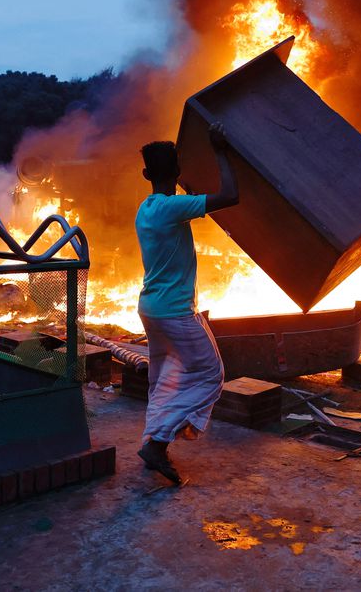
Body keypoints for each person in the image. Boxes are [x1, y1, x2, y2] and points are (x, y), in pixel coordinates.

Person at [134, 122, 238, 485]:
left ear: (146, 173)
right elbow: (230, 196)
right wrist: (221, 150)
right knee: (211, 374)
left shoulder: (146, 209)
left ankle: (152, 440)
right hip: (175, 311)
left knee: (165, 378)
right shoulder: (171, 207)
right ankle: (158, 444)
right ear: (178, 173)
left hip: (152, 308)